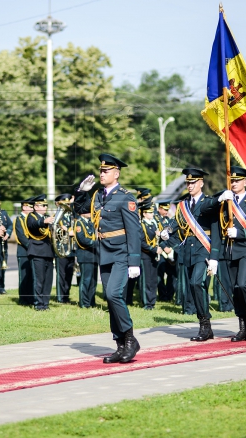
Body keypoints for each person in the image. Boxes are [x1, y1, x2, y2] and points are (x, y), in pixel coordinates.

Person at [73, 153, 142, 364]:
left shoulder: (125, 197)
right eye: (101, 170)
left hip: (121, 252)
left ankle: (130, 339)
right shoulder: (98, 196)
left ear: (116, 173)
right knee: (111, 301)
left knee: (113, 295)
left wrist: (134, 262)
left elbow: (134, 231)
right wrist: (81, 192)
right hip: (104, 253)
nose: (102, 174)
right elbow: (79, 210)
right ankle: (120, 346)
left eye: (106, 171)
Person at [166, 168, 226, 341]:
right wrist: (167, 231)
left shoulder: (209, 202)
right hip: (189, 250)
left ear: (201, 183)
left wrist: (214, 257)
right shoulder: (183, 204)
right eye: (188, 183)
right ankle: (205, 326)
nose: (190, 185)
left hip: (204, 249)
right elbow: (176, 222)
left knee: (195, 282)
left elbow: (215, 232)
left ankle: (204, 324)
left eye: (193, 182)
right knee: (195, 287)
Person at [213, 166, 246, 342]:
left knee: (243, 285)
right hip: (229, 250)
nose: (234, 183)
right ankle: (242, 325)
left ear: (245, 182)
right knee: (234, 290)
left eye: (237, 180)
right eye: (232, 180)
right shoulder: (226, 201)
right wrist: (219, 198)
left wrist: (240, 233)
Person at [26, 194, 55, 311]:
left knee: (48, 280)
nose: (45, 207)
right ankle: (38, 304)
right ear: (36, 207)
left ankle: (45, 303)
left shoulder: (47, 217)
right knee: (39, 279)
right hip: (37, 251)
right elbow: (33, 225)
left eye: (46, 205)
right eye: (43, 205)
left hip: (48, 251)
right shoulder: (31, 216)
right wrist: (44, 221)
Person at [139, 200, 161, 310]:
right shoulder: (142, 225)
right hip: (145, 255)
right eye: (150, 213)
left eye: (152, 212)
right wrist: (153, 249)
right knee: (146, 280)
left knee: (153, 280)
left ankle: (152, 302)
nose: (152, 214)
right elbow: (141, 242)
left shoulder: (154, 224)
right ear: (144, 214)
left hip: (153, 255)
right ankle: (146, 303)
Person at [13, 196, 35, 306]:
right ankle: (23, 299)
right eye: (30, 206)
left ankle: (30, 298)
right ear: (24, 207)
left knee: (31, 276)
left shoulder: (31, 218)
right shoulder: (19, 219)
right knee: (23, 277)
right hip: (24, 251)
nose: (32, 209)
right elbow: (21, 236)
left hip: (32, 250)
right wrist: (32, 246)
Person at [54, 193, 76, 304]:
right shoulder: (56, 217)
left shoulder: (72, 216)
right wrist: (67, 232)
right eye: (64, 204)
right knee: (61, 275)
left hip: (71, 249)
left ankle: (66, 296)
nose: (67, 206)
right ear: (57, 204)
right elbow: (54, 231)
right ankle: (60, 297)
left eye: (68, 204)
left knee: (69, 274)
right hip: (61, 249)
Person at [74, 209, 98, 308]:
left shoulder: (90, 222)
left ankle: (91, 301)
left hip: (93, 255)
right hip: (85, 255)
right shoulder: (79, 223)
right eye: (88, 211)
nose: (90, 213)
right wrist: (97, 243)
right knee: (86, 280)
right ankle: (84, 302)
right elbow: (82, 239)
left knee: (93, 280)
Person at [0, 196, 13, 295]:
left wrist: (7, 233)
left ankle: (1, 286)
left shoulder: (3, 213)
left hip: (3, 244)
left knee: (3, 266)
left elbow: (10, 224)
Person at [155, 200, 175, 302]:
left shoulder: (169, 220)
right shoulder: (156, 220)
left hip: (169, 251)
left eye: (168, 209)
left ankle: (170, 295)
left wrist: (170, 247)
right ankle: (162, 296)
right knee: (160, 275)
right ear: (159, 209)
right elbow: (156, 237)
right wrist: (164, 247)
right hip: (160, 251)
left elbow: (171, 236)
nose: (166, 212)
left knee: (171, 274)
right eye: (164, 209)